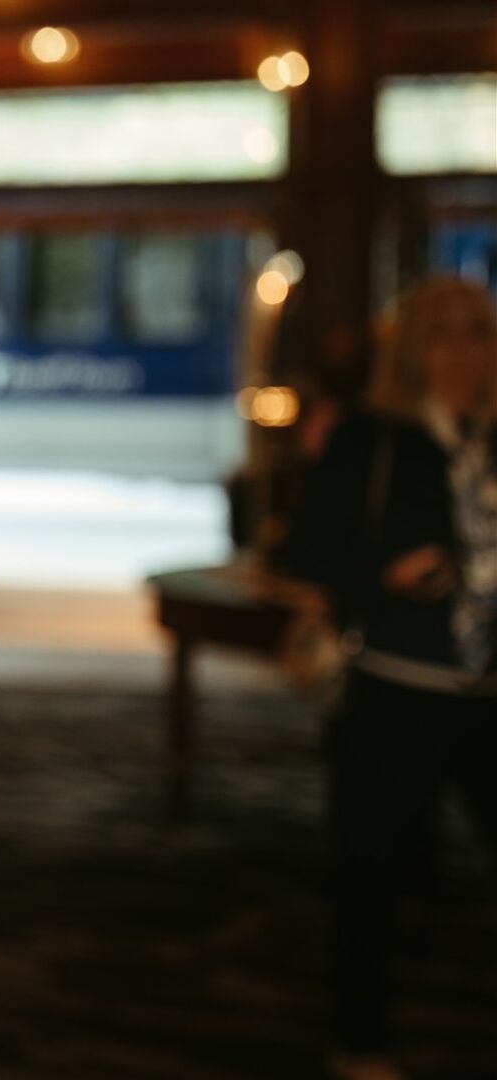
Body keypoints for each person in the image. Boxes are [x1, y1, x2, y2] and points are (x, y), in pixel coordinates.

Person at [281, 276, 497, 1080]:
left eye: (476, 333)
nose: (461, 353)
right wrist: (390, 575)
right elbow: (305, 558)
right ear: (409, 349)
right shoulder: (367, 438)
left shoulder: (489, 437)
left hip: (488, 694)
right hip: (396, 687)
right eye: (442, 335)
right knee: (368, 877)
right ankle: (359, 1039)